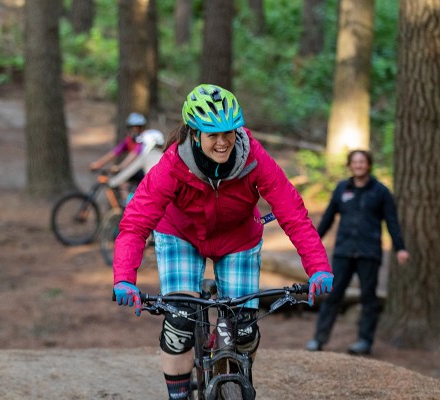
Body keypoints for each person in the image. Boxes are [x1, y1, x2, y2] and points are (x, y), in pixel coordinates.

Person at [111, 84, 334, 400]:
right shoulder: (173, 164)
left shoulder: (254, 158)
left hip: (238, 239)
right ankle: (179, 396)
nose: (222, 141)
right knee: (179, 324)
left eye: (228, 132)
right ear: (194, 133)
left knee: (244, 331)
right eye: (212, 134)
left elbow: (294, 215)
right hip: (180, 236)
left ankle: (231, 376)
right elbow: (135, 224)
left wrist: (319, 269)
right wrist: (124, 279)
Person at [306, 150, 410, 356]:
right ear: (350, 166)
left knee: (368, 298)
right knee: (333, 295)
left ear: (368, 165)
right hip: (343, 252)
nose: (359, 165)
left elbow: (392, 222)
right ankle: (319, 339)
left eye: (362, 162)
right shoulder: (342, 189)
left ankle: (364, 341)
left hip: (369, 253)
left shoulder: (380, 192)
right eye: (355, 162)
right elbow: (328, 218)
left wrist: (400, 248)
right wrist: (311, 243)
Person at [90, 112, 149, 185]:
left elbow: (135, 153)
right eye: (133, 128)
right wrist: (99, 164)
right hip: (135, 169)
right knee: (121, 181)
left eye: (138, 127)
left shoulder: (146, 139)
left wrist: (121, 166)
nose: (135, 130)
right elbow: (113, 153)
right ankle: (125, 196)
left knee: (121, 178)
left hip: (146, 170)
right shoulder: (129, 140)